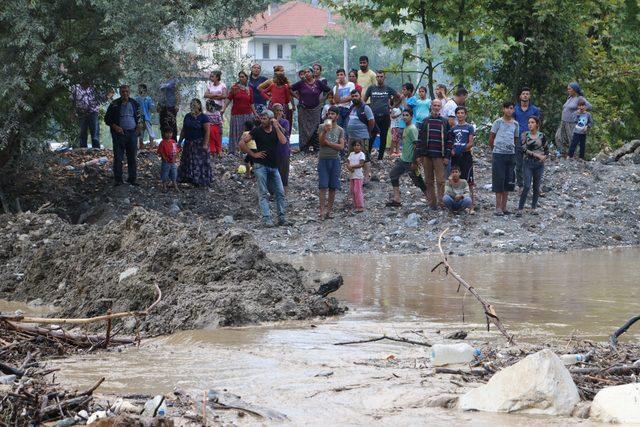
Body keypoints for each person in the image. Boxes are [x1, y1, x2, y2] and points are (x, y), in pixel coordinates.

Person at [239, 110, 290, 227]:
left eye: (265, 118)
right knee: (263, 193)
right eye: (261, 118)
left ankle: (282, 218)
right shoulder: (257, 130)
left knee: (280, 192)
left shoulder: (276, 130)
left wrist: (277, 127)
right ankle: (267, 219)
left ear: (271, 119)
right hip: (260, 165)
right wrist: (253, 154)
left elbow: (283, 141)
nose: (262, 121)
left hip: (274, 165)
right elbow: (242, 143)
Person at [414, 99, 451, 210]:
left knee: (441, 181)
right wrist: (419, 155)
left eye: (438, 105)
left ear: (441, 107)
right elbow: (420, 139)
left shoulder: (445, 121)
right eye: (434, 105)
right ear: (431, 106)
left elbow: (449, 140)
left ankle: (442, 203)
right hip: (427, 156)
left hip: (440, 156)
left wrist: (447, 156)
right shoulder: (425, 121)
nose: (436, 107)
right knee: (428, 181)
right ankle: (432, 203)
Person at [386, 108, 426, 207]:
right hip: (403, 159)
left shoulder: (412, 129)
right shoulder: (406, 128)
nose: (404, 117)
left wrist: (414, 162)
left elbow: (416, 145)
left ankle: (431, 199)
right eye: (403, 115)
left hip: (410, 161)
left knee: (418, 181)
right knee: (393, 174)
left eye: (407, 115)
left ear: (411, 117)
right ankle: (397, 199)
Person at [104, 85, 143, 186]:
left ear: (129, 92)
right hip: (119, 134)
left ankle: (132, 179)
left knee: (132, 157)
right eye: (123, 92)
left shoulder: (135, 103)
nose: (125, 93)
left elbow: (139, 117)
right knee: (118, 157)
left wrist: (139, 127)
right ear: (120, 92)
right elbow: (107, 119)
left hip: (132, 133)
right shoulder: (114, 104)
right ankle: (118, 180)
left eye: (126, 91)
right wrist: (115, 127)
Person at [489, 101, 519, 216]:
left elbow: (515, 139)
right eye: (507, 108)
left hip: (510, 155)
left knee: (508, 180)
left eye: (511, 108)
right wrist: (495, 150)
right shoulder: (498, 122)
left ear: (513, 110)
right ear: (503, 109)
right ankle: (497, 207)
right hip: (498, 154)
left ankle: (504, 207)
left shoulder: (515, 124)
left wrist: (511, 149)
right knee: (498, 179)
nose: (509, 110)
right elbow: (491, 138)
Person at [290, 67, 331, 152]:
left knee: (316, 127)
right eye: (305, 72)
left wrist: (322, 100)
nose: (307, 73)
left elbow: (328, 90)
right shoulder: (301, 83)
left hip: (315, 109)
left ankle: (316, 147)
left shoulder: (318, 83)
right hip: (303, 109)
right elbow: (289, 88)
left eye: (308, 72)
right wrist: (297, 97)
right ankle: (304, 148)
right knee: (303, 128)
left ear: (312, 73)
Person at [364, 70, 400, 160]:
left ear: (384, 78)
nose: (379, 78)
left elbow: (399, 96)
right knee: (372, 136)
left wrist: (393, 106)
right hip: (373, 116)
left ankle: (380, 158)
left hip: (385, 116)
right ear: (376, 77)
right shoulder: (371, 88)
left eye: (381, 76)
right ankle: (367, 157)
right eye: (378, 76)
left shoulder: (388, 88)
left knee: (383, 137)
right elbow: (363, 101)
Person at [317, 106, 346, 219]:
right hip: (323, 159)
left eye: (333, 114)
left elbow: (341, 147)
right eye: (329, 114)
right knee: (323, 186)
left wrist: (328, 143)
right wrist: (325, 131)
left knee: (333, 186)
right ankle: (321, 211)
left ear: (337, 116)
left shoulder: (340, 130)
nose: (330, 116)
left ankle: (329, 211)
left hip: (335, 160)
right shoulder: (321, 127)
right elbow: (321, 142)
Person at [517, 116, 548, 216]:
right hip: (528, 162)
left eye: (532, 122)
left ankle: (533, 208)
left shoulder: (542, 136)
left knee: (536, 186)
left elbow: (546, 149)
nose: (530, 124)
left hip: (539, 164)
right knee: (526, 185)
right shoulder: (525, 135)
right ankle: (520, 208)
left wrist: (544, 157)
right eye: (529, 122)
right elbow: (523, 149)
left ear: (537, 124)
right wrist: (537, 155)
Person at [178, 99, 212, 187]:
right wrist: (179, 141)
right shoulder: (187, 116)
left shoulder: (204, 117)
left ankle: (199, 180)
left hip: (199, 144)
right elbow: (184, 129)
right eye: (191, 105)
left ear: (199, 106)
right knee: (188, 161)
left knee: (199, 162)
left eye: (195, 105)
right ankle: (187, 178)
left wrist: (205, 144)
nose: (193, 107)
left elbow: (207, 132)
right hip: (188, 143)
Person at [513, 87, 541, 190]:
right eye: (523, 93)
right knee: (519, 164)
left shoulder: (535, 110)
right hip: (518, 140)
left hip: (532, 140)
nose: (525, 95)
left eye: (527, 94)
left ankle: (532, 185)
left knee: (532, 163)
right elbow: (512, 124)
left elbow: (538, 125)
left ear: (529, 96)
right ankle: (520, 185)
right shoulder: (515, 109)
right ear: (520, 96)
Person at [450, 106, 476, 213]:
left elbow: (470, 143)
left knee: (468, 181)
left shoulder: (469, 127)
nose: (460, 115)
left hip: (466, 156)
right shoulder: (453, 129)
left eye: (462, 113)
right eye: (458, 113)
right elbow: (451, 143)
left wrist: (460, 149)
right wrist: (452, 150)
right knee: (456, 179)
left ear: (466, 114)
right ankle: (456, 204)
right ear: (456, 115)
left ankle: (471, 205)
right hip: (455, 157)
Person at [223, 71, 256, 155]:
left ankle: (245, 151)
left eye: (243, 77)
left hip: (248, 114)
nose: (241, 78)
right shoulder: (234, 88)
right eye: (240, 77)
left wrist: (255, 114)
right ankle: (232, 151)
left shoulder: (249, 89)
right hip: (236, 114)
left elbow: (251, 103)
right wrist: (223, 108)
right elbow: (228, 99)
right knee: (235, 132)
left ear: (246, 78)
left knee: (246, 133)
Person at [555, 82, 592, 157]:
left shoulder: (580, 98)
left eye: (569, 89)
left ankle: (574, 156)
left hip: (571, 123)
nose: (568, 90)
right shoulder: (569, 97)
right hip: (563, 122)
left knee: (572, 140)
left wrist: (580, 111)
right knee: (558, 137)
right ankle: (564, 153)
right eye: (568, 89)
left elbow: (590, 106)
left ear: (575, 90)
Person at [346, 89, 375, 182]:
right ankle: (354, 175)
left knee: (365, 157)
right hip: (351, 137)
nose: (354, 98)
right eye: (353, 96)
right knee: (352, 156)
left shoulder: (365, 108)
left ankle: (366, 178)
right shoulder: (352, 107)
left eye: (356, 96)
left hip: (362, 137)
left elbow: (371, 121)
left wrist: (368, 131)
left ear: (360, 96)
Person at [70, 81, 102, 149]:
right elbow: (72, 101)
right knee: (82, 131)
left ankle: (96, 148)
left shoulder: (95, 87)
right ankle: (83, 148)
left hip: (93, 112)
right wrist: (72, 112)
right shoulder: (75, 87)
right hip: (81, 112)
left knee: (95, 131)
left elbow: (101, 98)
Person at [272, 103, 291, 194]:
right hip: (273, 150)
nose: (279, 112)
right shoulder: (269, 122)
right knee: (274, 171)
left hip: (283, 149)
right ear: (273, 111)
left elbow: (285, 132)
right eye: (277, 110)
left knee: (284, 171)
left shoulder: (285, 122)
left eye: (281, 110)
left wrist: (278, 123)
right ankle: (274, 191)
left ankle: (284, 191)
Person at [135, 84, 156, 149]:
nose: (139, 90)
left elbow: (152, 109)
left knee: (151, 133)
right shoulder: (136, 99)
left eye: (141, 88)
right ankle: (140, 147)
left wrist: (153, 105)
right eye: (139, 89)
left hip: (147, 118)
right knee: (140, 133)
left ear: (145, 90)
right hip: (139, 119)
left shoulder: (148, 99)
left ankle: (151, 147)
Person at [347, 140, 366, 212]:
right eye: (355, 145)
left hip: (358, 175)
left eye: (358, 145)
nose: (356, 147)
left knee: (357, 190)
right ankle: (355, 204)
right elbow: (348, 162)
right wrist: (349, 167)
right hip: (352, 175)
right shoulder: (351, 154)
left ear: (361, 146)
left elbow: (361, 164)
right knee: (352, 190)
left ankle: (360, 206)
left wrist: (352, 167)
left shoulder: (361, 154)